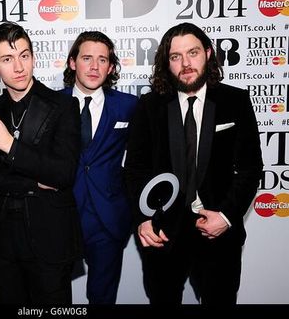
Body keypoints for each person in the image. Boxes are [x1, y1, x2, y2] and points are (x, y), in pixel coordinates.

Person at [124, 22, 263, 305]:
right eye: (176, 57)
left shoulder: (235, 101)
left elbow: (250, 169)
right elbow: (135, 169)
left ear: (209, 53)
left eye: (193, 53)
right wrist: (143, 219)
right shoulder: (150, 105)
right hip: (162, 232)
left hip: (217, 232)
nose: (186, 63)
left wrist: (225, 216)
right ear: (167, 62)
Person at [0, 21, 83, 304]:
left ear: (33, 57)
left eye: (24, 55)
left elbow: (63, 173)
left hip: (50, 240)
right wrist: (32, 182)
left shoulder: (63, 106)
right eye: (7, 59)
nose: (19, 67)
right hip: (1, 244)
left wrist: (8, 145)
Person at [62, 31, 138, 304]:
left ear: (111, 66)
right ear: (73, 63)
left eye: (102, 60)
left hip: (108, 218)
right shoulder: (51, 104)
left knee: (103, 297)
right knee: (56, 295)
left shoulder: (129, 106)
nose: (94, 67)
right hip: (61, 216)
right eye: (87, 58)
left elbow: (141, 162)